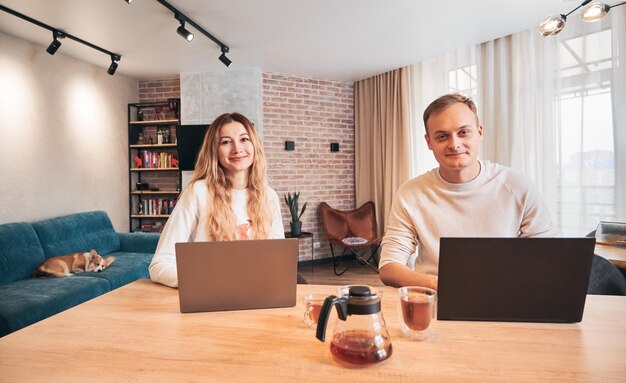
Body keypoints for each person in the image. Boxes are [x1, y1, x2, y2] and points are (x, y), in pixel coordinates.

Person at [379, 93, 556, 290]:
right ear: (429, 142)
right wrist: (444, 285)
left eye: (463, 132)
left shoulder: (518, 187)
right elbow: (389, 267)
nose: (454, 144)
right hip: (434, 299)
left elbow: (547, 258)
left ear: (479, 133)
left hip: (506, 295)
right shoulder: (410, 193)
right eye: (442, 136)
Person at [149, 112, 285, 288]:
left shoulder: (269, 197)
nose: (237, 149)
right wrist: (201, 281)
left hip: (258, 294)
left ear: (255, 146)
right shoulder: (198, 193)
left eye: (244, 139)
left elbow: (280, 263)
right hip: (211, 297)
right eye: (226, 142)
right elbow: (159, 264)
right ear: (214, 150)